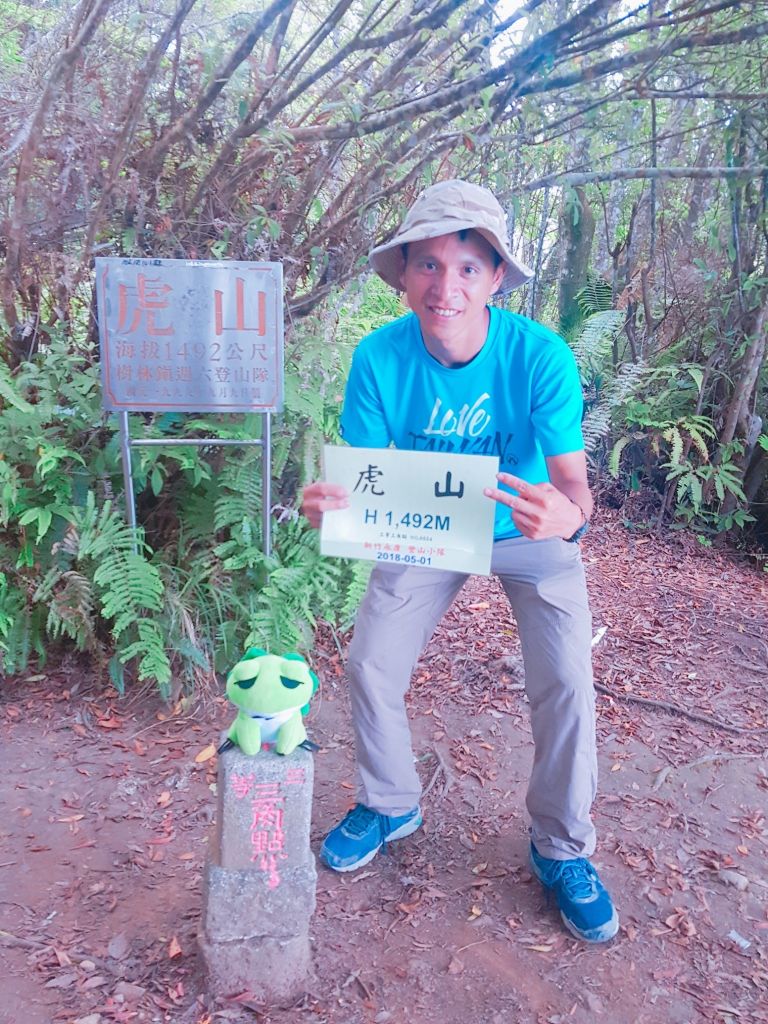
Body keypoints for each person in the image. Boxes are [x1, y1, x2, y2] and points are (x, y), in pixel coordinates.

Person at [301, 179, 618, 944]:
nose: (447, 287)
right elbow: (367, 477)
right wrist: (337, 504)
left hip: (525, 526)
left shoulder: (539, 357)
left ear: (497, 277)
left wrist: (568, 518)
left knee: (567, 678)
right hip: (429, 528)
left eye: (468, 268)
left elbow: (576, 489)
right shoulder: (379, 356)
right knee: (371, 661)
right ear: (404, 273)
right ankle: (389, 800)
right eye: (430, 266)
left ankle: (562, 847)